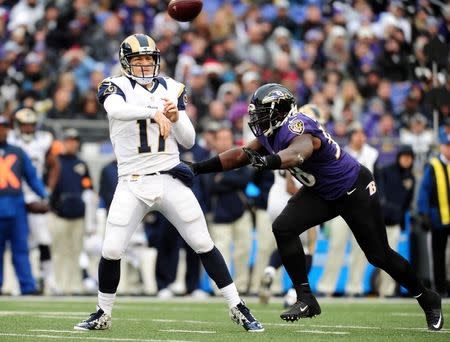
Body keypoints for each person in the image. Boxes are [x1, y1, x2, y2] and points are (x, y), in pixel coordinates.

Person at [190, 83, 443, 331]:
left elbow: (299, 152)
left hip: (353, 189)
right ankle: (305, 298)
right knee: (284, 227)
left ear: (280, 110)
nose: (257, 119)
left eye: (262, 113)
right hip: (322, 192)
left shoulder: (296, 125)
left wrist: (269, 161)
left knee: (379, 255)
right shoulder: (270, 133)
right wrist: (198, 168)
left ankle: (427, 298)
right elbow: (240, 155)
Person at [74, 34, 263, 332]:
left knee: (203, 242)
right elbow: (115, 111)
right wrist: (154, 112)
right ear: (126, 62)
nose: (145, 64)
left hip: (169, 177)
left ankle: (237, 305)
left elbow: (188, 140)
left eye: (149, 59)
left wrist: (175, 117)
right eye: (139, 60)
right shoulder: (114, 86)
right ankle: (103, 312)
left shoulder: (173, 87)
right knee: (111, 249)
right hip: (132, 180)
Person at [7, 108, 60, 295]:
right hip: (13, 197)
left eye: (31, 125)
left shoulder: (43, 140)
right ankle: (16, 282)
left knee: (43, 240)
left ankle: (50, 280)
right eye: (25, 125)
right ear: (18, 126)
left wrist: (48, 191)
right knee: (18, 243)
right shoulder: (10, 141)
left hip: (35, 196)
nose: (28, 129)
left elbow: (54, 165)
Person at [0, 115, 48, 295]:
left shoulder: (17, 151)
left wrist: (44, 195)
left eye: (4, 127)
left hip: (16, 206)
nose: (1, 131)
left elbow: (32, 177)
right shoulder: (17, 151)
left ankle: (27, 286)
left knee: (21, 249)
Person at [50, 128, 96, 295]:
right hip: (59, 214)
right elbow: (49, 187)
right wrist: (54, 206)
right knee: (60, 251)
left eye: (75, 140)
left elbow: (89, 189)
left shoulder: (81, 164)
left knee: (76, 251)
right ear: (64, 142)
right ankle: (59, 285)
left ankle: (74, 285)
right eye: (69, 140)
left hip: (78, 214)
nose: (72, 143)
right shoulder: (55, 162)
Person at [376, 145, 415, 297]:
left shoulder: (410, 178)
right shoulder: (385, 170)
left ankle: (387, 290)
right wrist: (391, 210)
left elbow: (408, 201)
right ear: (399, 157)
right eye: (404, 156)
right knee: (374, 256)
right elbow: (380, 195)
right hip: (379, 222)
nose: (406, 160)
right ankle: (356, 288)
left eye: (409, 157)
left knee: (390, 258)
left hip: (394, 224)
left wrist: (399, 217)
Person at [417, 128, 450, 297]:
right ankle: (441, 288)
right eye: (447, 145)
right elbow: (424, 191)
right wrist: (423, 214)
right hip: (438, 219)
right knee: (438, 255)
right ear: (442, 147)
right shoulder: (434, 165)